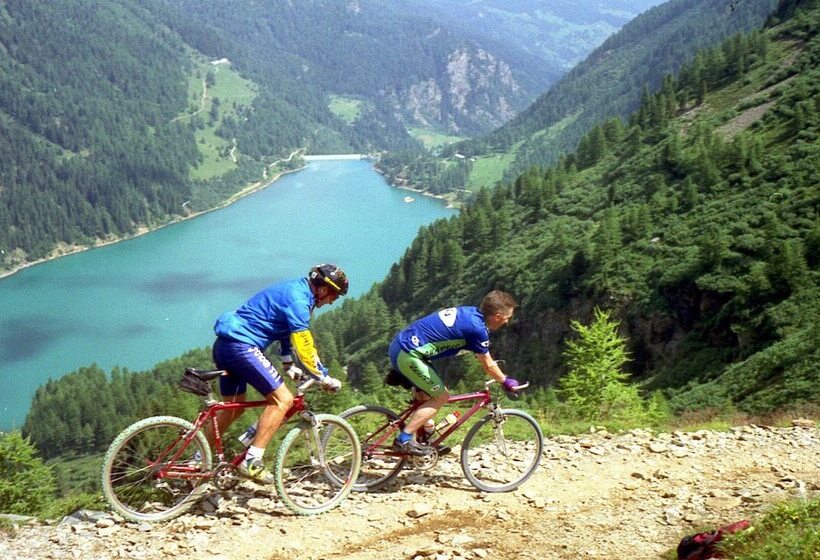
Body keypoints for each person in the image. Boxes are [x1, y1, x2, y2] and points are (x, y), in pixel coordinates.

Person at [210, 264, 348, 482]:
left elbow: (283, 328)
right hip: (242, 347)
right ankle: (252, 461)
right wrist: (323, 376)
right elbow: (304, 346)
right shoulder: (299, 301)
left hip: (224, 346)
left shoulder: (296, 288)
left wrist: (287, 364)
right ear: (323, 289)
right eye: (334, 295)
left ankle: (198, 459)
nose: (332, 301)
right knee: (283, 401)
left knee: (233, 408)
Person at [388, 290, 519, 456]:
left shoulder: (471, 313)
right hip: (409, 354)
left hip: (400, 346)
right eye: (507, 317)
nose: (507, 321)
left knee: (425, 396)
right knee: (441, 397)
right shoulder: (477, 329)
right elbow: (488, 366)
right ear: (497, 316)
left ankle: (423, 440)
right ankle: (404, 440)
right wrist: (505, 381)